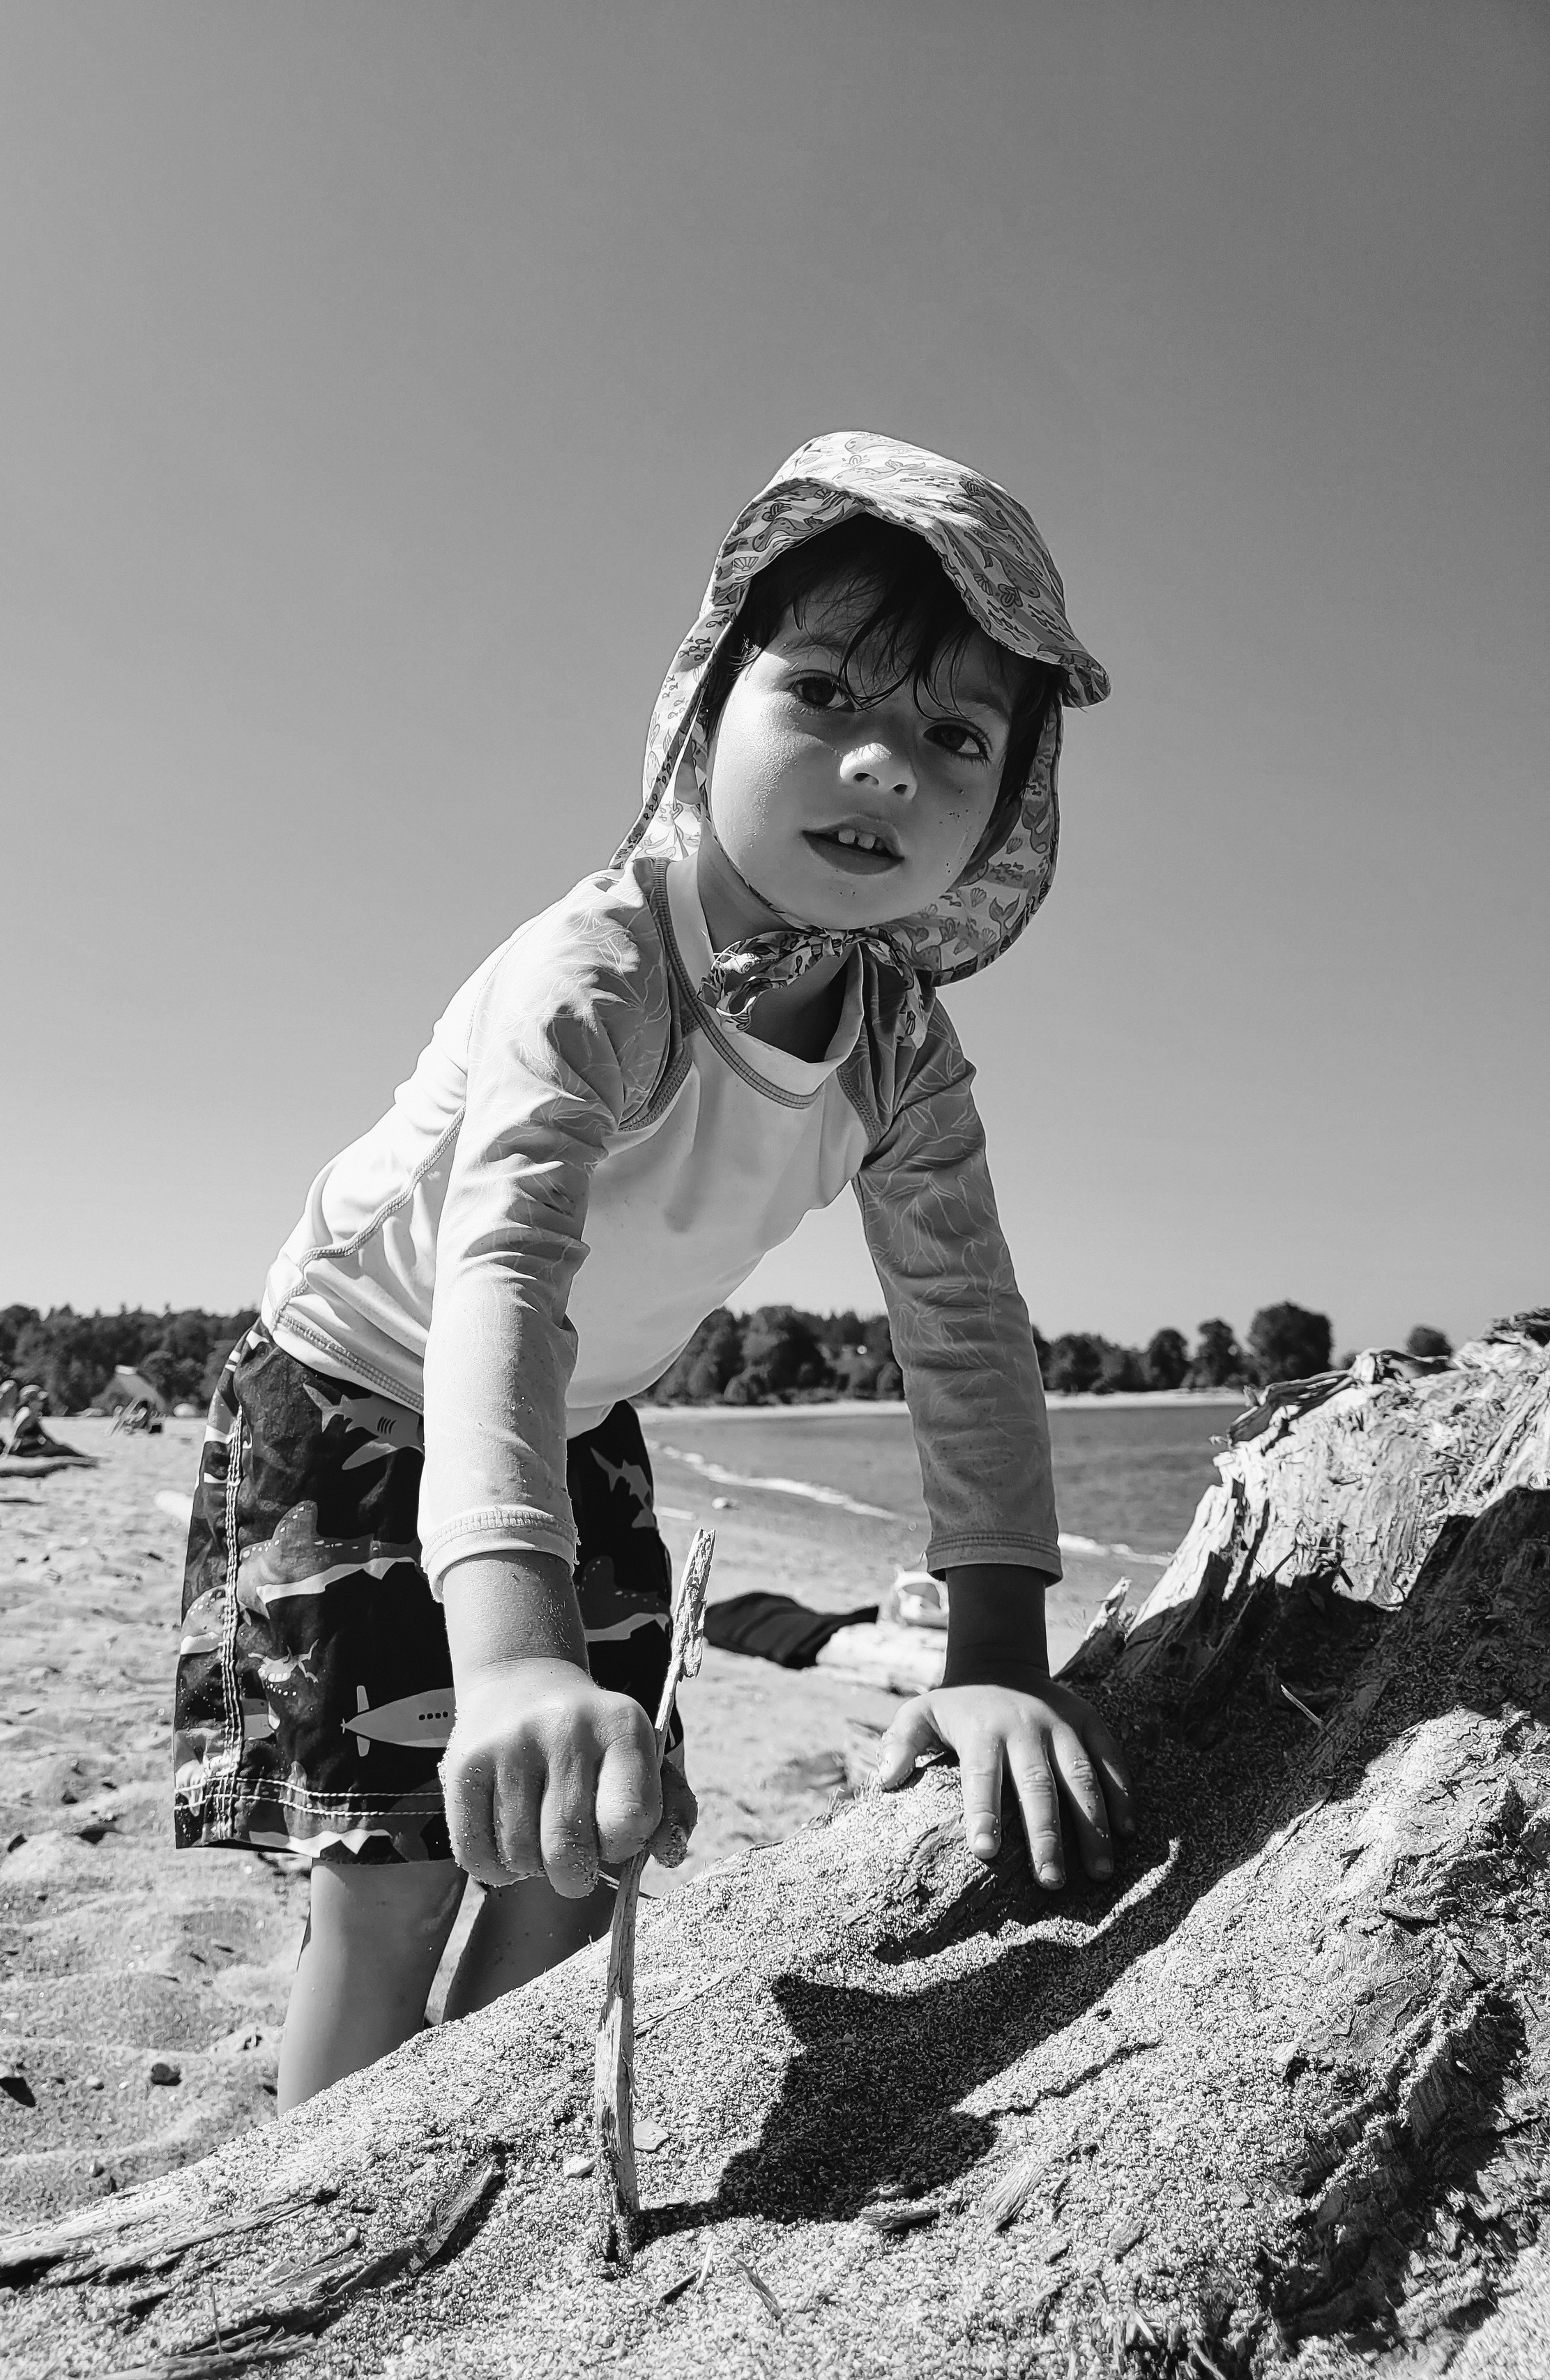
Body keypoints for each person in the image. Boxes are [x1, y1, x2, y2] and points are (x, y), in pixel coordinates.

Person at [171, 432, 1134, 2109]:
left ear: (997, 814)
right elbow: (501, 1273)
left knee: (581, 1851)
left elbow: (965, 1337)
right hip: (360, 1391)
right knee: (401, 1869)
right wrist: (517, 1653)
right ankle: (311, 2189)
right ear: (705, 711)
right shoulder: (603, 963)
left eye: (952, 736)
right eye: (824, 692)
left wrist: (991, 1654)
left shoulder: (897, 1049)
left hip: (585, 1417)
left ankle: (459, 2149)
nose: (883, 764)